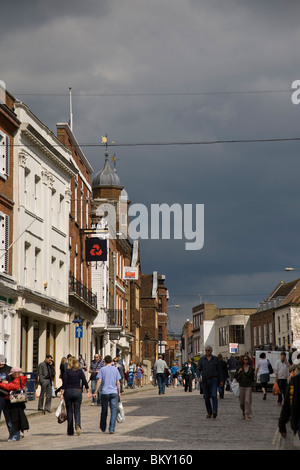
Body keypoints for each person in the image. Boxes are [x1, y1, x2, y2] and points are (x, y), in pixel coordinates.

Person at [60, 356, 91, 436]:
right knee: (77, 411)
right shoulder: (80, 371)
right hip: (78, 391)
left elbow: (64, 384)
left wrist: (62, 393)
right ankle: (77, 424)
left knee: (69, 411)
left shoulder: (67, 372)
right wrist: (88, 390)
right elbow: (84, 381)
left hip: (68, 392)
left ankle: (70, 431)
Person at [93, 355, 121, 434]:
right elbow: (118, 382)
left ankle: (103, 427)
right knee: (113, 411)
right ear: (111, 361)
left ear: (104, 361)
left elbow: (99, 381)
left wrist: (95, 392)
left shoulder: (102, 369)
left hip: (105, 392)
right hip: (114, 392)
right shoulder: (115, 369)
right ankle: (111, 428)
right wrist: (119, 393)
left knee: (104, 410)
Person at [0, 366, 29, 441]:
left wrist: (0, 383)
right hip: (14, 402)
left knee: (14, 419)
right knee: (13, 419)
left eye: (12, 374)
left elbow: (9, 386)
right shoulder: (19, 379)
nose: (11, 375)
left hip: (15, 402)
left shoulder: (19, 379)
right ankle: (14, 435)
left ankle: (15, 436)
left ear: (16, 373)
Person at [196, 345, 223, 418]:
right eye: (206, 350)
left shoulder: (215, 359)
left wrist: (221, 380)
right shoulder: (202, 359)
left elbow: (219, 370)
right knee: (206, 397)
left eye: (208, 350)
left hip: (213, 379)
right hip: (204, 379)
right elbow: (198, 369)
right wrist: (199, 377)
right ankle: (209, 412)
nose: (207, 351)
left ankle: (215, 411)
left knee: (214, 395)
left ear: (211, 351)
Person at [278, 372, 300, 447]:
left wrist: (282, 423)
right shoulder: (296, 381)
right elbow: (288, 403)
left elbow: (288, 403)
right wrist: (282, 423)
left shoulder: (295, 381)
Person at [235, 355, 255, 421]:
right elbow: (235, 376)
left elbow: (252, 377)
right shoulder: (240, 368)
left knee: (247, 401)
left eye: (246, 359)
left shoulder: (251, 368)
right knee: (241, 402)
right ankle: (243, 411)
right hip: (241, 385)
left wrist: (253, 384)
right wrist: (238, 372)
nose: (246, 360)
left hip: (248, 385)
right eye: (244, 359)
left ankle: (248, 414)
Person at [0, 355, 12, 436]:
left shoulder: (9, 369)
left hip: (6, 395)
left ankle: (12, 433)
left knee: (8, 416)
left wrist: (7, 382)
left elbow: (13, 381)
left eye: (2, 363)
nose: (1, 365)